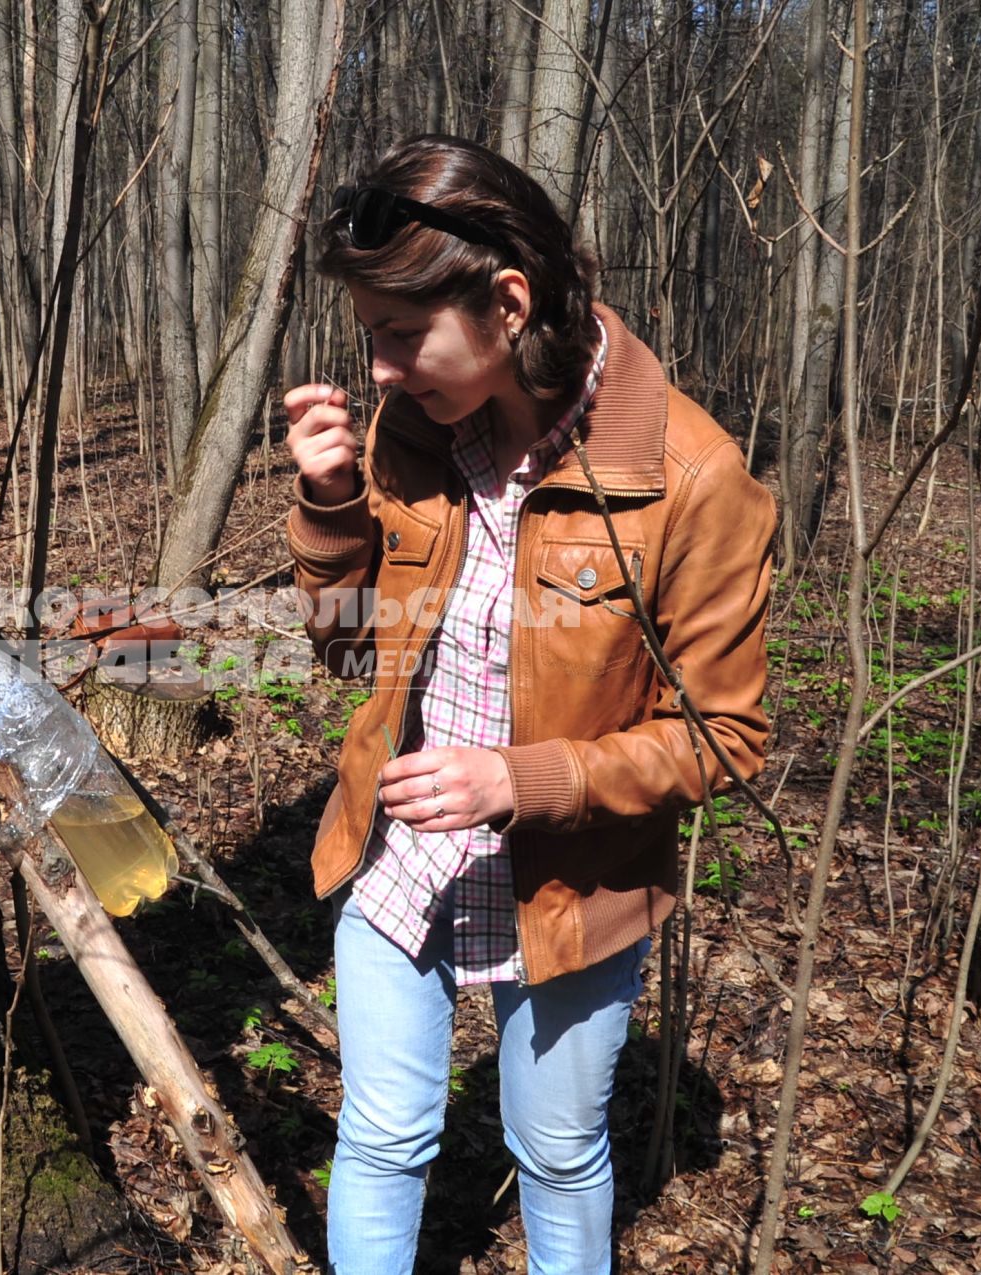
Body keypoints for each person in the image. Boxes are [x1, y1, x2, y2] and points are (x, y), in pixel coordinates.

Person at [283, 135, 775, 1274]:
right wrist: (329, 505)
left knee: (556, 1155)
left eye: (403, 336)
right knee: (382, 1136)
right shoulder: (414, 428)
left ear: (508, 304)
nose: (384, 369)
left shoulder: (689, 480)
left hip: (572, 891)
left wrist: (522, 778)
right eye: (371, 339)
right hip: (399, 854)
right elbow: (347, 648)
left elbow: (726, 734)